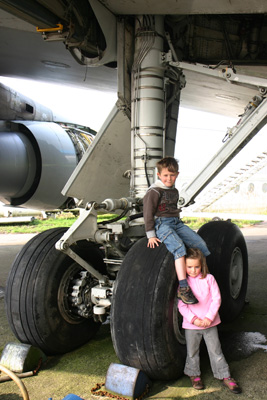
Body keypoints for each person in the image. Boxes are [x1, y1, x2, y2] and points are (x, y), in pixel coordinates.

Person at [143, 156, 210, 304]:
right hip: (162, 224)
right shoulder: (154, 191)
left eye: (172, 175)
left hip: (176, 223)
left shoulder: (174, 190)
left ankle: (202, 279)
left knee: (201, 245)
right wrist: (151, 235)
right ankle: (184, 288)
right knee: (179, 248)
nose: (169, 178)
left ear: (177, 175)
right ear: (159, 175)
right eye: (165, 175)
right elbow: (147, 213)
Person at [178, 248, 242, 394]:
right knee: (192, 352)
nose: (193, 270)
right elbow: (181, 305)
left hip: (209, 323)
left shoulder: (209, 279)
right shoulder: (183, 284)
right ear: (184, 267)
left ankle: (224, 375)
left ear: (202, 265)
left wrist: (208, 318)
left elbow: (216, 299)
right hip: (192, 325)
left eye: (196, 267)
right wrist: (194, 320)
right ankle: (194, 374)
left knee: (215, 350)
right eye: (189, 267)